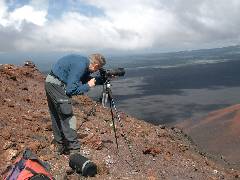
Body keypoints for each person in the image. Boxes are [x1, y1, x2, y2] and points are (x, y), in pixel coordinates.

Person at [45, 53, 106, 155]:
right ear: (96, 65)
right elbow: (71, 90)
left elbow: (82, 78)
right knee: (67, 115)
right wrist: (88, 86)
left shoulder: (83, 62)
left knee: (56, 115)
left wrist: (99, 80)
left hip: (51, 83)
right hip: (57, 86)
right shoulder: (81, 65)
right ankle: (74, 150)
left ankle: (59, 144)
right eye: (98, 69)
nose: (97, 71)